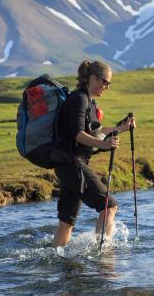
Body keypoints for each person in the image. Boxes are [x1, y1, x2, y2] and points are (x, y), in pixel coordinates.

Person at [52, 60, 135, 247]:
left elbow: (95, 132)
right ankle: (103, 256)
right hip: (73, 164)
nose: (107, 87)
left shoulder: (88, 101)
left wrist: (120, 128)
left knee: (67, 222)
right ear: (93, 78)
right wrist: (103, 145)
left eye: (109, 83)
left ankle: (59, 260)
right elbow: (78, 134)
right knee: (109, 205)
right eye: (105, 82)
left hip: (67, 165)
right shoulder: (79, 99)